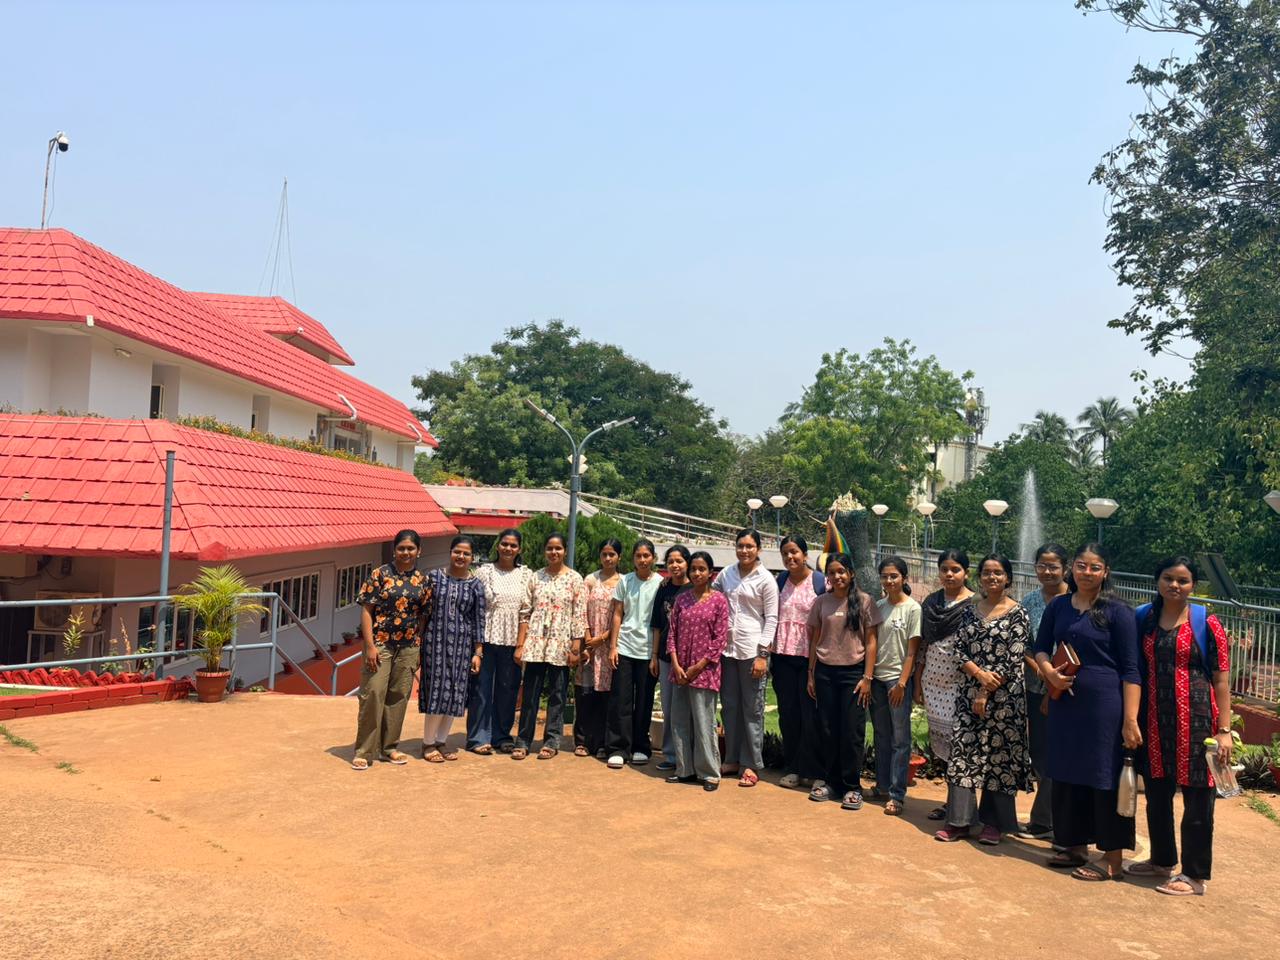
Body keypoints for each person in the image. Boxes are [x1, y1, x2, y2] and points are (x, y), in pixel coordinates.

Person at [1125, 556, 1233, 897]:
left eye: (1182, 580)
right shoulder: (1144, 618)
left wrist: (1224, 730)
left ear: (1193, 585)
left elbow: (1221, 679)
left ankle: (1194, 875)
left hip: (1198, 724)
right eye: (1168, 578)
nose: (1174, 585)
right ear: (1157, 580)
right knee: (1157, 794)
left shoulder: (1206, 622)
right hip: (1154, 721)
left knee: (1198, 799)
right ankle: (1162, 860)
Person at [1034, 542, 1141, 882]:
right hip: (1065, 703)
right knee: (1066, 772)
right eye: (1081, 565)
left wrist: (1130, 719)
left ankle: (1112, 857)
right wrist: (1049, 673)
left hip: (1103, 707)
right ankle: (1074, 845)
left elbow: (1131, 669)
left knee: (1103, 775)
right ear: (1072, 568)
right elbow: (1040, 648)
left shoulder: (1118, 611)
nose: (1087, 572)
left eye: (1095, 567)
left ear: (1105, 572)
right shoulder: (1059, 606)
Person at [935, 554, 1033, 843]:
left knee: (998, 758)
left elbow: (1013, 657)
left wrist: (985, 691)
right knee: (962, 755)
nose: (992, 577)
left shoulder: (1018, 613)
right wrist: (978, 676)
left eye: (998, 572)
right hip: (969, 694)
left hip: (1005, 699)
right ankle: (960, 821)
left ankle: (994, 824)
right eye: (987, 572)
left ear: (1008, 578)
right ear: (980, 577)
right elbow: (959, 650)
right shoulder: (970, 611)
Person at [351, 529, 432, 770]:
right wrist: (369, 646)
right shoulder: (380, 574)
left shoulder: (423, 581)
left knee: (398, 697)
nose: (406, 552)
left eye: (411, 548)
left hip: (408, 647)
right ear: (394, 550)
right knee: (373, 694)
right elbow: (367, 610)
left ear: (419, 551)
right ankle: (364, 751)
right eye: (401, 548)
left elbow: (423, 616)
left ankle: (389, 748)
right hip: (381, 645)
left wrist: (417, 644)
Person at [807, 552, 881, 810]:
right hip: (824, 673)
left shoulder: (865, 601)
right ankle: (831, 782)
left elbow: (871, 642)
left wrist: (867, 678)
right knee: (828, 729)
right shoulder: (821, 602)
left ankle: (852, 787)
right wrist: (811, 674)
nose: (837, 576)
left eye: (841, 571)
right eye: (832, 572)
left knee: (851, 732)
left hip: (854, 674)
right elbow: (814, 639)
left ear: (851, 573)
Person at [713, 528, 779, 788]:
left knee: (752, 709)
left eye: (750, 546)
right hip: (727, 650)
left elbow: (771, 618)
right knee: (729, 706)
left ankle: (751, 763)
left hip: (753, 651)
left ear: (758, 549)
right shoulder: (726, 574)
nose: (744, 551)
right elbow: (711, 595)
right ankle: (731, 758)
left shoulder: (766, 579)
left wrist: (763, 654)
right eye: (740, 546)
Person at [513, 533, 587, 761]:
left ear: (565, 551)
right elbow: (525, 612)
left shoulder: (575, 579)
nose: (554, 552)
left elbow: (579, 615)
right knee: (531, 695)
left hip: (561, 644)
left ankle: (551, 741)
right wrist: (520, 645)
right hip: (535, 643)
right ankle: (523, 740)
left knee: (557, 695)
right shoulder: (536, 577)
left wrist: (575, 648)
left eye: (558, 548)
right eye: (550, 548)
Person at [915, 549, 975, 820]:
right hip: (933, 683)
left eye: (955, 569)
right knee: (943, 748)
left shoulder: (975, 604)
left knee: (960, 746)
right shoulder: (931, 602)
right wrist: (918, 682)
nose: (949, 574)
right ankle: (951, 803)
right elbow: (923, 645)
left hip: (960, 685)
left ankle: (962, 808)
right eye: (944, 569)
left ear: (966, 573)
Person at [1016, 542, 1070, 838]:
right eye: (1042, 566)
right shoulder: (1029, 601)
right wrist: (1040, 668)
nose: (1047, 572)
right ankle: (1048, 816)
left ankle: (1045, 819)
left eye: (1053, 566)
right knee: (1039, 752)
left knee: (1059, 752)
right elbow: (1023, 644)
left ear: (1065, 568)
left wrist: (1055, 675)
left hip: (1069, 687)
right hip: (1035, 686)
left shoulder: (1075, 600)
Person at [419, 536, 487, 762]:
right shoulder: (434, 578)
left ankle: (441, 741)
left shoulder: (476, 585)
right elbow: (423, 612)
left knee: (454, 694)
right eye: (457, 551)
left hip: (462, 647)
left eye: (466, 553)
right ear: (450, 552)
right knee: (437, 692)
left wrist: (477, 653)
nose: (461, 556)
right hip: (435, 643)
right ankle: (428, 743)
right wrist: (419, 642)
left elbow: (478, 621)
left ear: (472, 557)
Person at [666, 551, 729, 791]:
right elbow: (672, 634)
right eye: (693, 569)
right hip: (680, 671)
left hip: (705, 671)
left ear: (711, 573)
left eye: (702, 569)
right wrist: (676, 664)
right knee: (680, 721)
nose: (696, 573)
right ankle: (685, 769)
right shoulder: (681, 600)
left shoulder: (719, 601)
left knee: (704, 723)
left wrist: (698, 666)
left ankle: (709, 773)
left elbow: (719, 640)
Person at [468, 528, 534, 755]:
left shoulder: (526, 575)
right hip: (485, 640)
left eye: (513, 545)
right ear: (498, 546)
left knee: (508, 690)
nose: (508, 548)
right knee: (481, 690)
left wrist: (521, 645)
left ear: (519, 549)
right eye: (505, 544)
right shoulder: (484, 572)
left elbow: (526, 612)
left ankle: (502, 735)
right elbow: (475, 606)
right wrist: (476, 646)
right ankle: (478, 738)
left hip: (512, 641)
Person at [772, 534, 825, 790]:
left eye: (794, 552)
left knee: (811, 715)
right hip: (782, 657)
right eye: (785, 553)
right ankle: (793, 768)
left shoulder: (819, 582)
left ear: (805, 554)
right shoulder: (779, 581)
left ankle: (813, 770)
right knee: (788, 714)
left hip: (809, 659)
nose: (790, 557)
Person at [870, 556, 921, 816]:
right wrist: (869, 677)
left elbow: (912, 651)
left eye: (894, 576)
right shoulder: (878, 606)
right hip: (877, 680)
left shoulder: (913, 609)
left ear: (904, 578)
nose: (889, 580)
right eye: (885, 576)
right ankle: (882, 786)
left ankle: (896, 794)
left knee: (901, 740)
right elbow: (872, 643)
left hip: (897, 681)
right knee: (881, 735)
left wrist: (902, 683)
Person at [605, 539, 663, 768]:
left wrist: (655, 655)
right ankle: (618, 748)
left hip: (648, 651)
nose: (642, 560)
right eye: (638, 556)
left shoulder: (660, 583)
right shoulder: (625, 581)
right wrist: (613, 646)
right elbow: (617, 614)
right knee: (621, 700)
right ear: (632, 559)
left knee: (644, 701)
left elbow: (658, 622)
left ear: (653, 558)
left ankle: (641, 747)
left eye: (646, 555)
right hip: (625, 648)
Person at [572, 539, 621, 758]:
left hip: (610, 646)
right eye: (604, 554)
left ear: (619, 557)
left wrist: (603, 638)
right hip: (589, 646)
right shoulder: (590, 580)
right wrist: (588, 639)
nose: (608, 558)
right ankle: (582, 741)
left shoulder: (623, 582)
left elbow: (622, 615)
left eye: (612, 554)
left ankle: (602, 743)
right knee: (585, 695)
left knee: (606, 697)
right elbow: (581, 611)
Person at [649, 545, 692, 771]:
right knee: (668, 706)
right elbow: (657, 625)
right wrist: (655, 655)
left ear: (687, 563)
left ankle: (690, 755)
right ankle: (671, 754)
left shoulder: (695, 588)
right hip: (666, 657)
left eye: (679, 561)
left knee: (689, 708)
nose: (675, 565)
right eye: (671, 561)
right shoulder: (663, 589)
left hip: (691, 657)